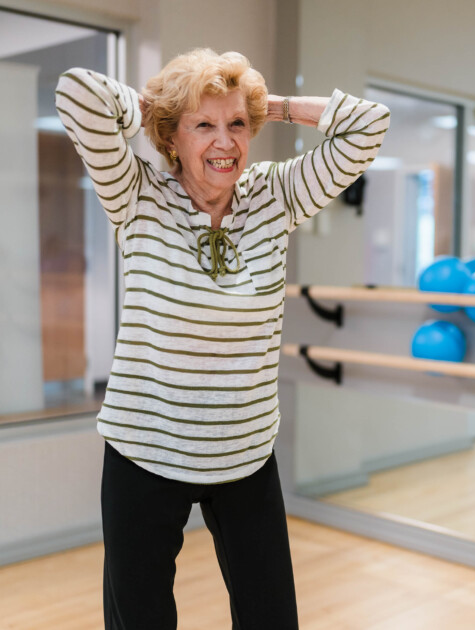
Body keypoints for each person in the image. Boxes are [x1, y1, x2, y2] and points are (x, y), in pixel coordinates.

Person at [56, 48, 390, 630]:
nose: (225, 142)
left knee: (271, 619)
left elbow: (368, 125)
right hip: (145, 452)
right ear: (173, 137)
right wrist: (159, 106)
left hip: (244, 454)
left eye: (237, 124)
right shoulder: (135, 194)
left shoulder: (273, 196)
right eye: (203, 125)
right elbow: (76, 94)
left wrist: (272, 106)